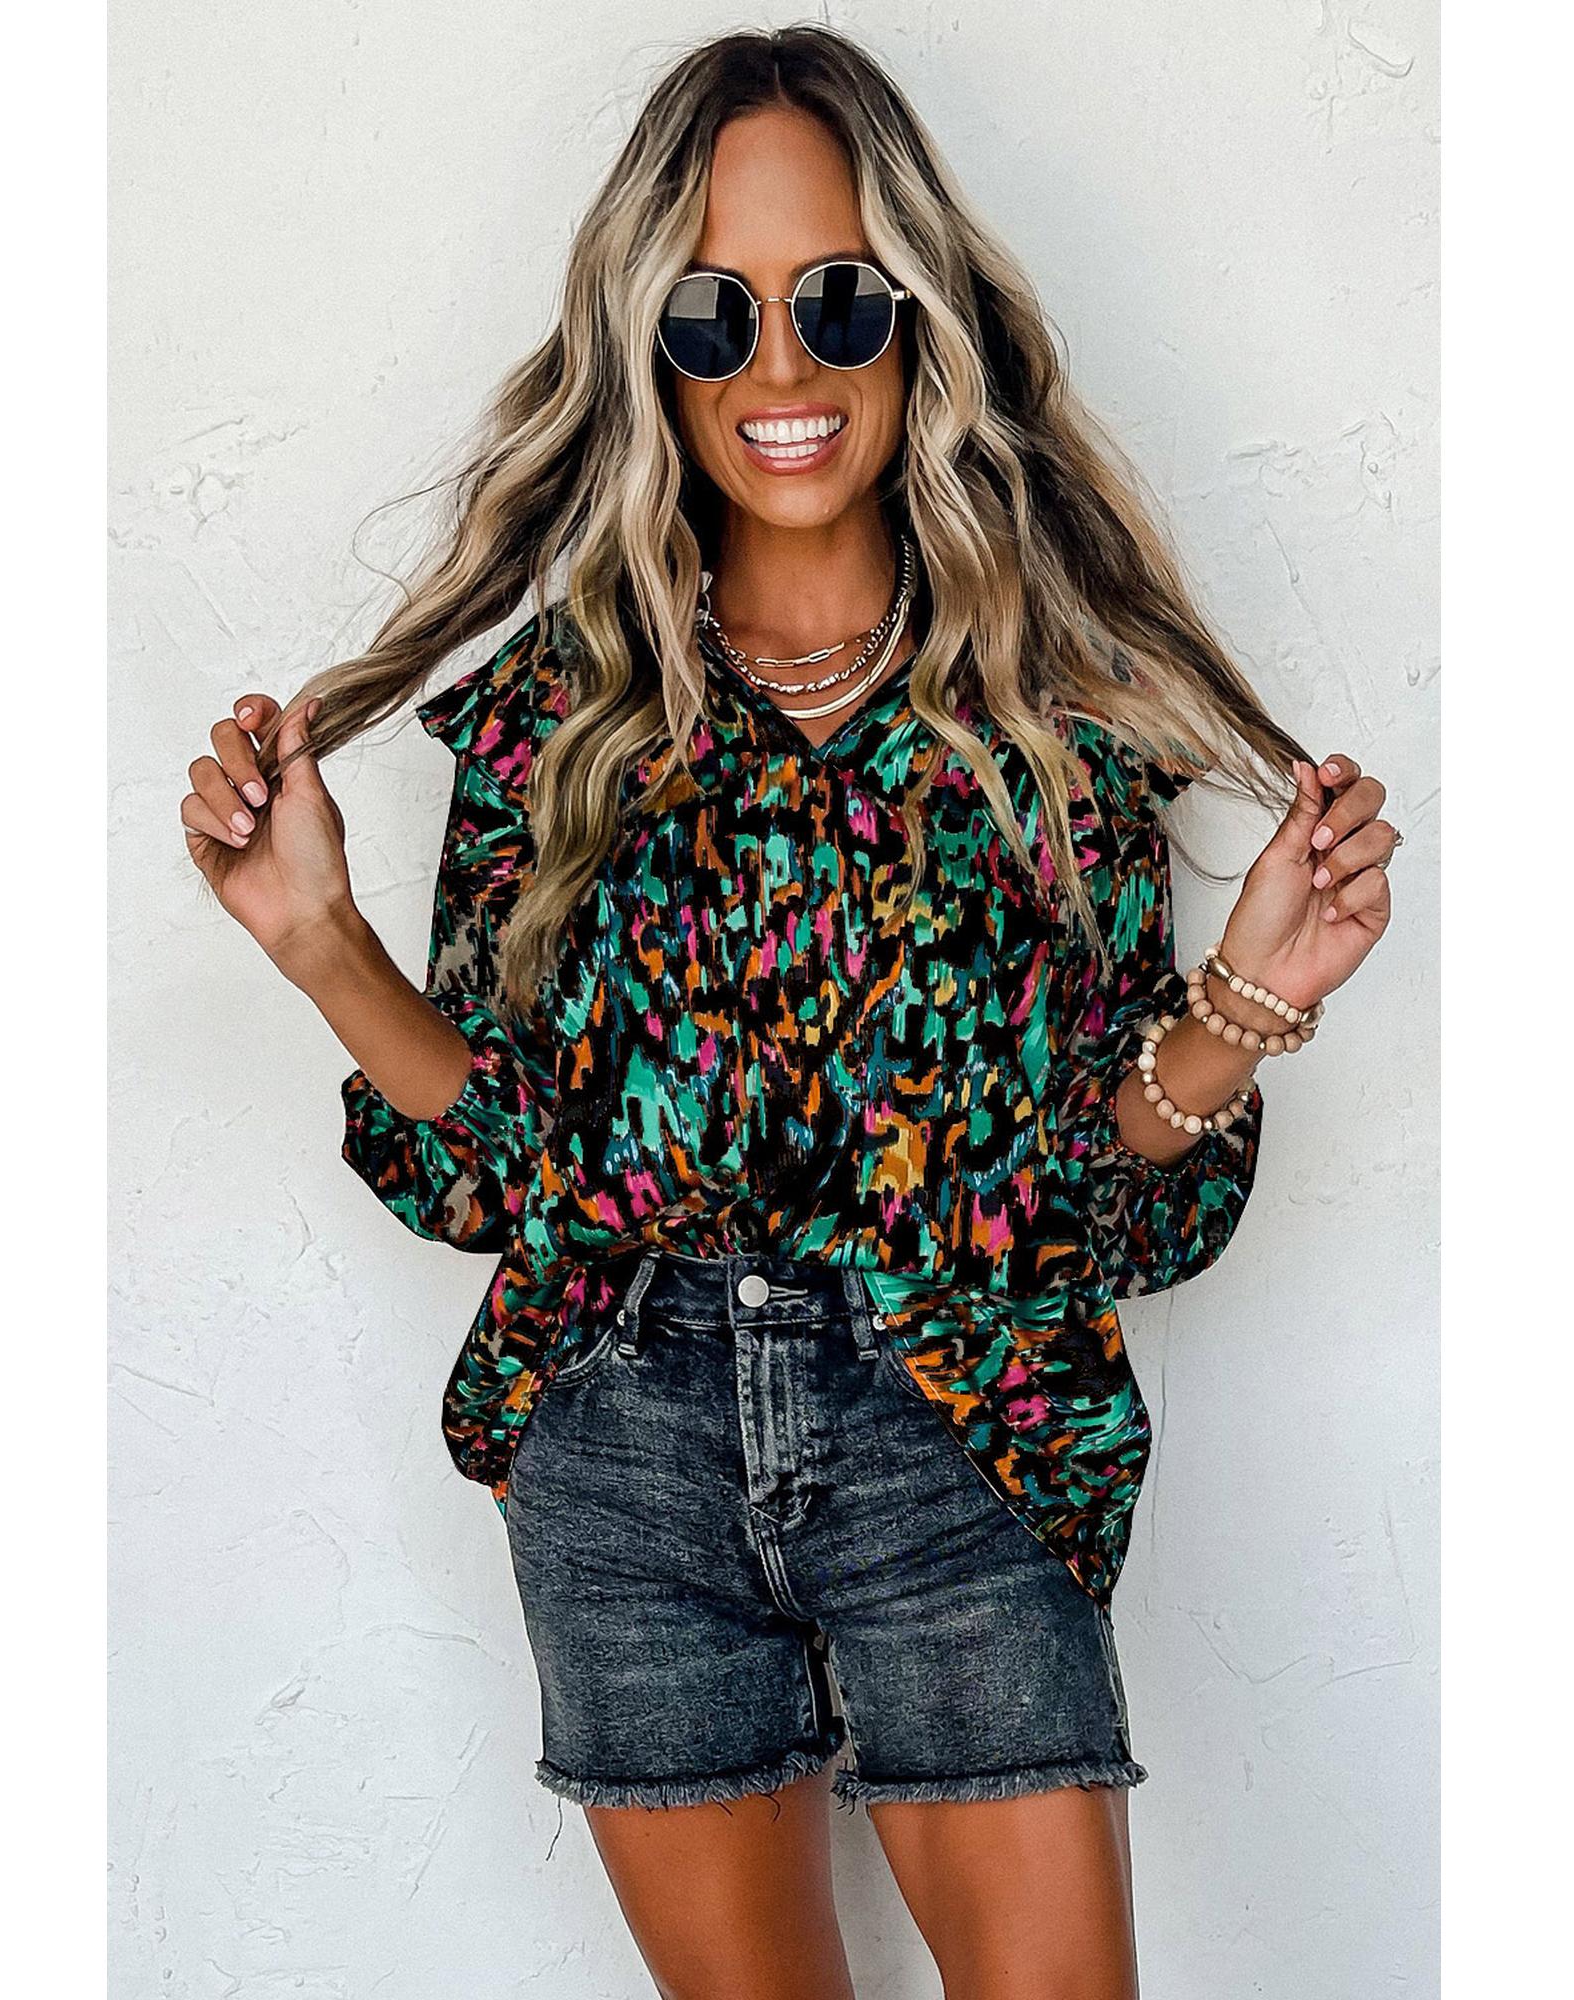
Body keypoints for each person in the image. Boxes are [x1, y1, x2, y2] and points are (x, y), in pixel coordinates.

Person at [179, 26, 1399, 2000]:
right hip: (625, 1437)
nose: (780, 368)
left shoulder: (1057, 717)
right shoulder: (560, 718)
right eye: (709, 312)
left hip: (964, 1423)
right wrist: (320, 944)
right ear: (643, 349)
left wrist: (1248, 1001)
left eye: (836, 297)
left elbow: (1107, 1209)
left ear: (915, 317)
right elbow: (496, 1179)